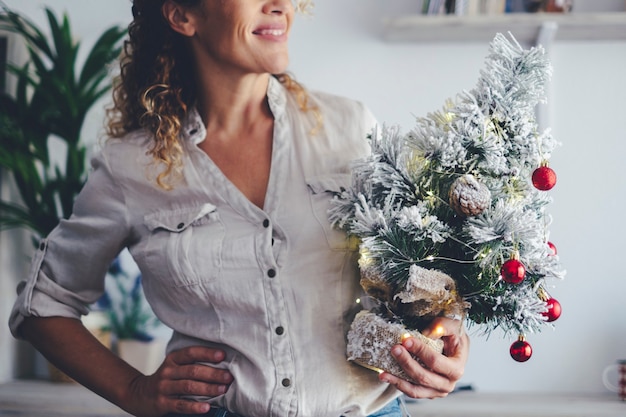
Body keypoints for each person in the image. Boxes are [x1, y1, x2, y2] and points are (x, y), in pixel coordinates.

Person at [9, 1, 470, 416]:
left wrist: (448, 332)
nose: (280, 5)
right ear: (183, 15)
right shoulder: (131, 167)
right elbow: (42, 304)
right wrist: (133, 390)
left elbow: (429, 265)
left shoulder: (351, 129)